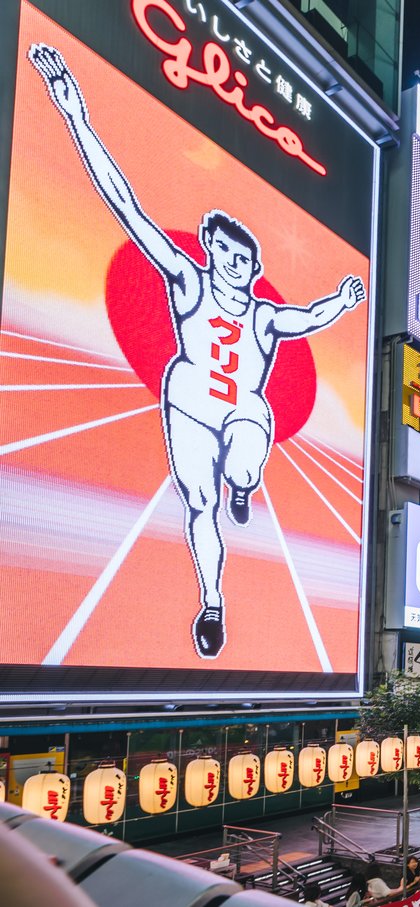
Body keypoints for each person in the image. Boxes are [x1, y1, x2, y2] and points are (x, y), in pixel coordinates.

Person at [27, 44, 367, 661]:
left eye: (248, 261)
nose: (239, 267)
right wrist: (76, 115)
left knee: (240, 456)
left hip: (243, 410)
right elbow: (128, 209)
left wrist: (342, 302)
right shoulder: (187, 282)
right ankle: (213, 601)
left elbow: (307, 317)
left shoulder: (264, 314)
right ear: (211, 248)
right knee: (199, 504)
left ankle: (245, 481)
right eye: (230, 256)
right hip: (187, 402)